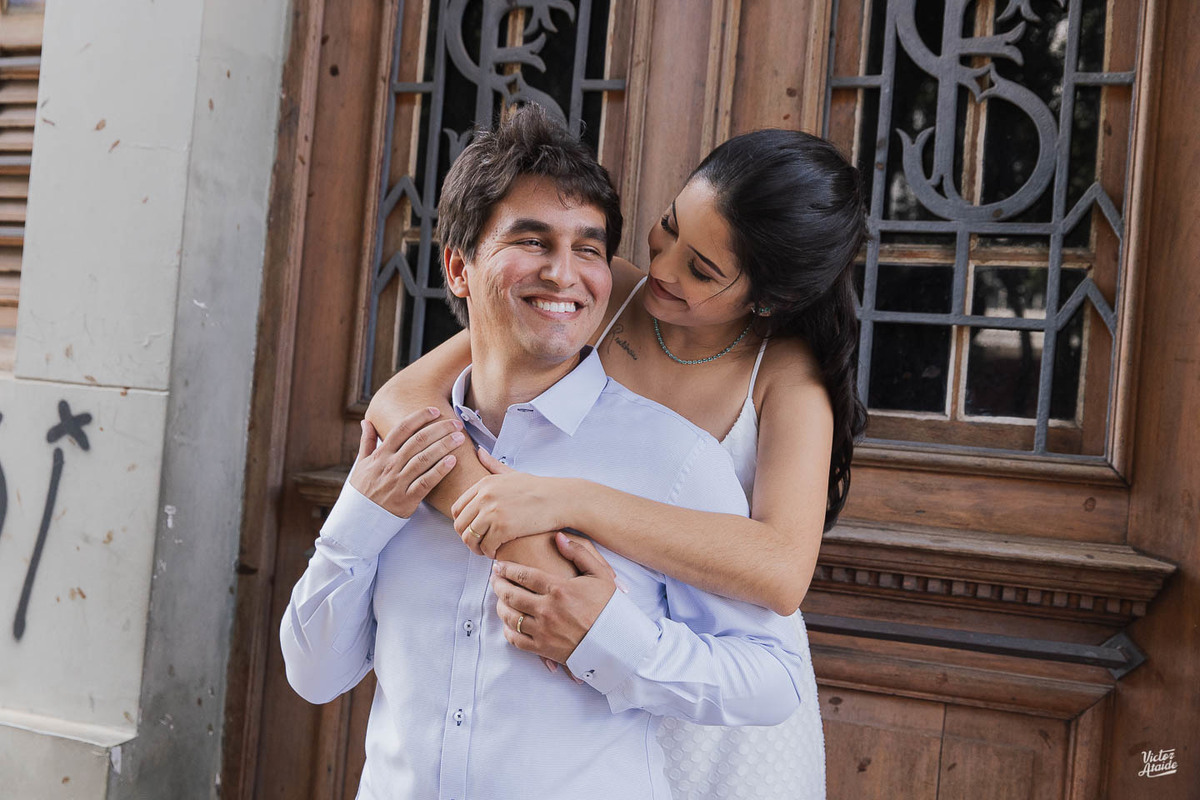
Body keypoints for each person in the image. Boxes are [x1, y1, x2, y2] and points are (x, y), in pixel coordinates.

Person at [280, 105, 809, 800]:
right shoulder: (409, 446)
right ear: (459, 268)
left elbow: (777, 683)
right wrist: (362, 517)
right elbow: (315, 675)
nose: (564, 274)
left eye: (588, 249)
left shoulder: (676, 461)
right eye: (532, 241)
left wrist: (615, 643)